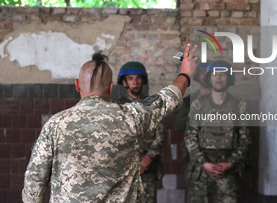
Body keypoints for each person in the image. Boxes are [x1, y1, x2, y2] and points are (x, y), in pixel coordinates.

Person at [22, 44, 197, 203]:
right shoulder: (131, 116)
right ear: (111, 88)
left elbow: (34, 183)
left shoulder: (54, 125)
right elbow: (168, 99)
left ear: (77, 85)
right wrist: (185, 74)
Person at [184, 60, 251, 203]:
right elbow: (190, 137)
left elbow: (245, 139)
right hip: (201, 169)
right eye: (215, 74)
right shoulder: (198, 104)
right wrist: (204, 163)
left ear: (229, 78)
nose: (218, 77)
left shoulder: (239, 105)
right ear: (209, 78)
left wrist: (230, 163)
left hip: (227, 169)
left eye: (223, 74)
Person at [113, 61, 165, 203]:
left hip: (147, 168)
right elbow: (113, 135)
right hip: (123, 168)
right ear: (124, 82)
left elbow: (161, 135)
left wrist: (148, 157)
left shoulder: (153, 104)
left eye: (138, 78)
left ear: (143, 80)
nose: (135, 82)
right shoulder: (117, 105)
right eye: (130, 78)